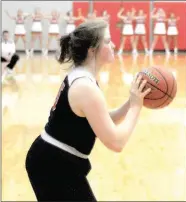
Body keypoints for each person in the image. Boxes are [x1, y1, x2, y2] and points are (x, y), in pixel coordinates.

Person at [25, 19, 151, 201]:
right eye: (107, 41)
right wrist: (136, 107)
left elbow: (101, 120)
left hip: (54, 160)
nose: (113, 44)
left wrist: (131, 102)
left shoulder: (83, 76)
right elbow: (116, 142)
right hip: (53, 165)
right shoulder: (85, 87)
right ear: (92, 49)